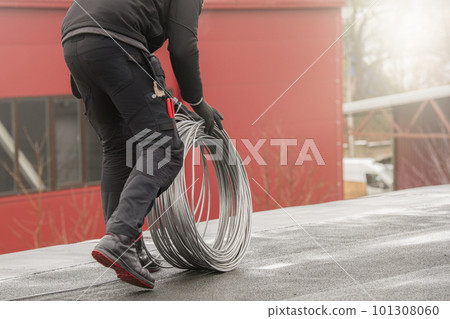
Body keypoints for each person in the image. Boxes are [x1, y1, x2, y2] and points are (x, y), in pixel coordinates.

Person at [61, 0, 223, 289]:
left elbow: (100, 30)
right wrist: (197, 102)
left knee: (117, 148)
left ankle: (127, 246)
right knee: (164, 147)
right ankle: (122, 237)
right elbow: (183, 47)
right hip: (114, 41)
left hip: (74, 41)